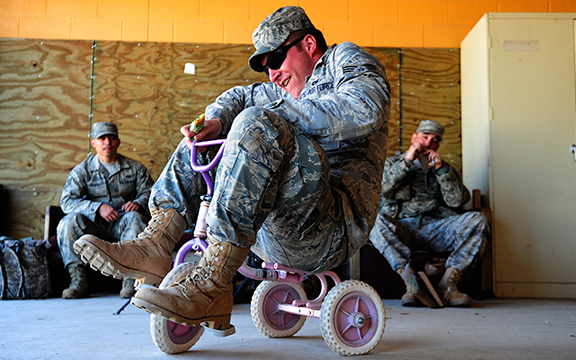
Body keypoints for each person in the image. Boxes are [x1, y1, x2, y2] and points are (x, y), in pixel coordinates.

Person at [74, 6, 390, 328]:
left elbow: (366, 108)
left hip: (332, 227)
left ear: (308, 45)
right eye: (265, 68)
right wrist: (216, 120)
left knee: (256, 122)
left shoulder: (343, 60)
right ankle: (158, 240)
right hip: (272, 232)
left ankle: (213, 283)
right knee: (205, 135)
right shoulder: (280, 89)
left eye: (276, 60)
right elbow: (239, 96)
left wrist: (273, 116)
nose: (272, 75)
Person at [369, 119, 489, 307]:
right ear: (414, 138)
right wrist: (407, 160)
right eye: (424, 137)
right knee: (374, 221)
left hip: (435, 227)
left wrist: (441, 171)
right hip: (402, 227)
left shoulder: (442, 168)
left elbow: (457, 200)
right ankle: (411, 283)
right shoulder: (392, 164)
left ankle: (448, 285)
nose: (428, 143)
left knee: (478, 220)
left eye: (434, 140)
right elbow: (382, 189)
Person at [57, 121, 153, 299]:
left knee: (135, 218)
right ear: (94, 143)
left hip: (123, 224)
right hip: (94, 226)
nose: (107, 142)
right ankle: (78, 281)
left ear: (118, 142)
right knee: (67, 223)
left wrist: (139, 203)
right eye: (102, 138)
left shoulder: (135, 168)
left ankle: (129, 280)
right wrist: (97, 208)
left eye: (112, 138)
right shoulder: (82, 171)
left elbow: (151, 194)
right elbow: (67, 202)